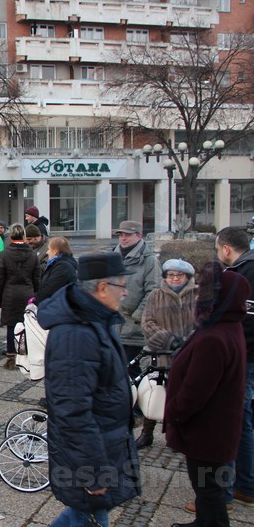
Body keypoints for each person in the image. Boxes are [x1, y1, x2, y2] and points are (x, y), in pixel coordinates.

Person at [38, 252, 141, 527]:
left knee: (83, 514)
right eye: (122, 286)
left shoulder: (95, 319)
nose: (126, 292)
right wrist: (94, 473)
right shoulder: (77, 334)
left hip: (104, 444)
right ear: (103, 288)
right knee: (87, 514)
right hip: (91, 455)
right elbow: (72, 411)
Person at [166, 262, 249, 527]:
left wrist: (175, 412)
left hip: (206, 431)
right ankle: (203, 521)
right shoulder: (228, 326)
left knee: (209, 490)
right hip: (215, 429)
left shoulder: (215, 337)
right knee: (208, 488)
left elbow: (196, 390)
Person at [135, 258, 196, 449]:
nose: (175, 278)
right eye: (171, 275)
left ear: (187, 277)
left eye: (179, 275)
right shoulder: (156, 296)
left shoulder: (197, 296)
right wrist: (170, 340)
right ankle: (147, 433)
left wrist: (187, 342)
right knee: (155, 391)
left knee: (183, 395)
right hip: (161, 353)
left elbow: (204, 322)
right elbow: (148, 323)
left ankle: (178, 435)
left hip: (189, 354)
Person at [216, 225, 254, 508]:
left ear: (226, 249)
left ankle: (224, 494)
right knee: (243, 421)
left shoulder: (241, 274)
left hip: (240, 358)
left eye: (218, 248)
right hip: (246, 356)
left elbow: (244, 321)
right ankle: (246, 485)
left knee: (229, 422)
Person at [113, 220, 160, 381]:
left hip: (133, 329)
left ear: (139, 236)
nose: (123, 238)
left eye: (128, 235)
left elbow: (153, 292)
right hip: (113, 326)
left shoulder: (149, 261)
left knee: (131, 373)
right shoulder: (113, 256)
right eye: (121, 234)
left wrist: (137, 315)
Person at [0, 223, 40, 368]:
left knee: (11, 326)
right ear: (24, 235)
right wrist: (36, 295)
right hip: (28, 293)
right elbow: (37, 278)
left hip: (10, 294)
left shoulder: (5, 254)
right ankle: (26, 354)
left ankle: (10, 356)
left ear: (11, 235)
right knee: (27, 325)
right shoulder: (32, 254)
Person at [32, 236, 77, 305]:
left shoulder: (63, 267)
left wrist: (35, 300)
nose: (47, 252)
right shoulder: (58, 264)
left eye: (49, 249)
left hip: (59, 306)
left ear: (55, 251)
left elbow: (50, 288)